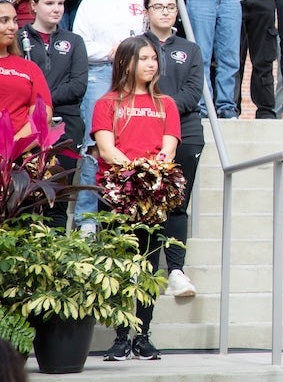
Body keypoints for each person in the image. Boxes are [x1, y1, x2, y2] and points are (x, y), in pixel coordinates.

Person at [93, 36, 180, 361]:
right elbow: (106, 149)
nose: (150, 64)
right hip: (117, 195)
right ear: (125, 63)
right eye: (143, 58)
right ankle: (119, 337)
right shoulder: (108, 103)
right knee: (118, 267)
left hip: (152, 197)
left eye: (153, 58)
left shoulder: (166, 104)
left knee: (146, 267)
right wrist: (135, 172)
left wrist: (150, 174)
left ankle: (142, 335)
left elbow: (169, 147)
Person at [71, 0, 146, 235]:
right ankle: (86, 219)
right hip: (100, 73)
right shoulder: (91, 3)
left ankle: (126, 212)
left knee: (130, 141)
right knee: (96, 145)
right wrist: (109, 50)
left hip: (134, 77)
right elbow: (80, 45)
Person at [142, 0, 204, 297]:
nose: (166, 12)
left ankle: (177, 270)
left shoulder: (190, 49)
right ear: (147, 11)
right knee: (147, 205)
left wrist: (162, 108)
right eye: (159, 7)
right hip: (144, 130)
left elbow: (193, 93)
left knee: (177, 205)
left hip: (186, 131)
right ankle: (146, 270)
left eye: (171, 7)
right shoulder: (136, 46)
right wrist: (152, 113)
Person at [20, 0, 87, 227]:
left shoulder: (74, 41)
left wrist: (42, 99)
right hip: (25, 125)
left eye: (60, 3)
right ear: (33, 5)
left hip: (65, 125)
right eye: (49, 3)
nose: (57, 9)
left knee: (57, 200)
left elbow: (78, 86)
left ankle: (54, 261)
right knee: (21, 198)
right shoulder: (19, 38)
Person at [0, 0, 52, 140]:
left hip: (20, 154)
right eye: (4, 20)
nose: (13, 27)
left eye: (15, 20)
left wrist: (10, 148)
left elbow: (42, 115)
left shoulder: (29, 67)